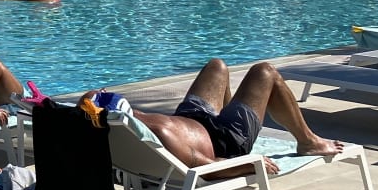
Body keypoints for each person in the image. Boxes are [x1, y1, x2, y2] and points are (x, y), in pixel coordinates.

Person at [134, 59, 343, 174]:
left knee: (216, 66)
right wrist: (249, 165)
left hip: (192, 117)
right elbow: (207, 168)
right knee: (265, 72)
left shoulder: (123, 119)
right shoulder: (160, 134)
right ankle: (308, 142)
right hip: (226, 141)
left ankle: (230, 113)